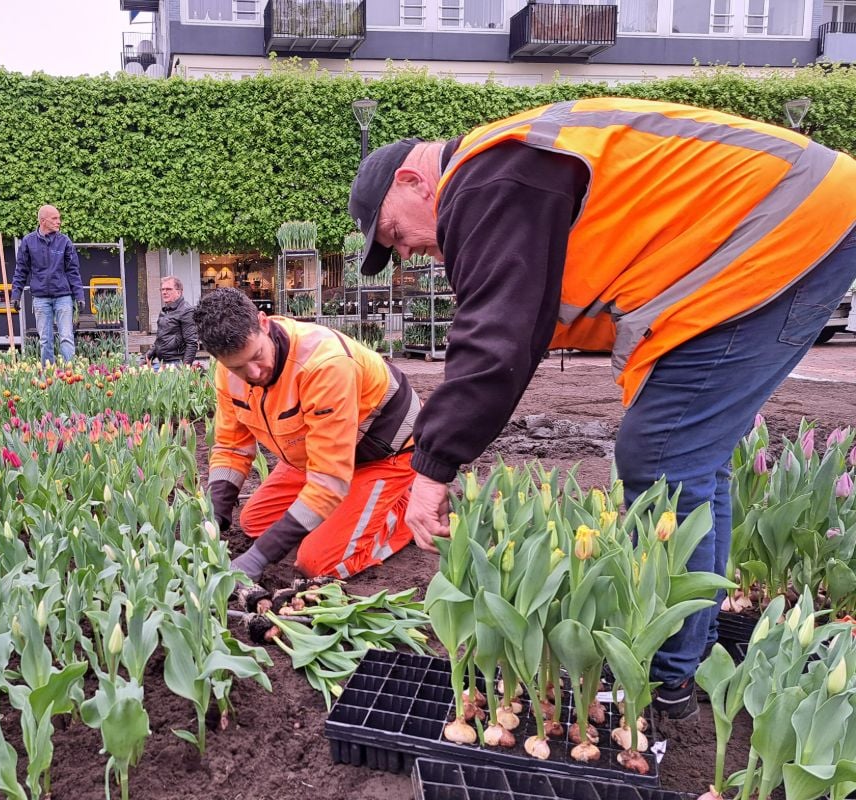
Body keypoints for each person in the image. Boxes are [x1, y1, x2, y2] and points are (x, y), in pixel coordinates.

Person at [349, 96, 856, 719]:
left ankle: (664, 677)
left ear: (413, 180)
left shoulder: (487, 179)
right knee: (684, 461)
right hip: (782, 228)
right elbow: (519, 324)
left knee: (661, 454)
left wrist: (432, 466)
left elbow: (495, 341)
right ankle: (685, 659)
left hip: (780, 230)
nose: (407, 253)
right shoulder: (506, 171)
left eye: (396, 235)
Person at [195, 288, 421, 582]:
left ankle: (408, 509)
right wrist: (215, 516)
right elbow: (232, 447)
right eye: (237, 367)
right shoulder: (227, 374)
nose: (254, 373)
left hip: (383, 456)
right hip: (317, 455)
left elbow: (330, 479)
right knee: (255, 523)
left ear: (263, 323)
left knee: (318, 562)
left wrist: (260, 557)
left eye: (257, 356)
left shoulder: (324, 364)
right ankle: (355, 510)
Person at [11, 205, 85, 365]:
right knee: (45, 339)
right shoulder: (28, 242)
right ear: (43, 221)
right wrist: (15, 295)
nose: (59, 221)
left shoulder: (64, 241)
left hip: (63, 297)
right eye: (54, 218)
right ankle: (48, 374)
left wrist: (79, 296)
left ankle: (70, 373)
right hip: (40, 298)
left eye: (59, 218)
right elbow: (21, 270)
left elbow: (73, 271)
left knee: (66, 337)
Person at [145, 276, 199, 365]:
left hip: (177, 363)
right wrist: (147, 356)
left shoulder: (186, 311)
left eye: (168, 289)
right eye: (162, 289)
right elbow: (160, 340)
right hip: (162, 362)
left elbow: (192, 343)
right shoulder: (164, 311)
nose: (164, 292)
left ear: (179, 292)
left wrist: (185, 369)